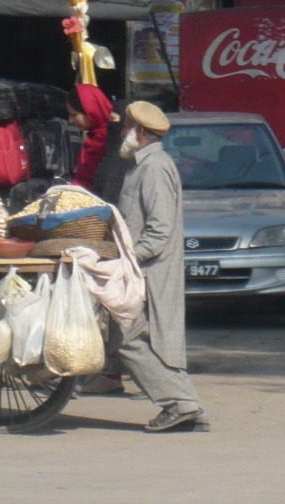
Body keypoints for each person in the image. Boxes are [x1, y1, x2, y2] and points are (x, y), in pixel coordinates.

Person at [112, 101, 207, 432]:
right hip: (144, 271)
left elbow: (159, 230)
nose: (122, 133)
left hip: (150, 273)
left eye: (126, 128)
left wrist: (130, 258)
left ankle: (181, 404)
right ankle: (185, 404)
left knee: (126, 337)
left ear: (139, 133)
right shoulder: (142, 165)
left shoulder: (153, 168)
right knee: (154, 342)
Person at [68, 83, 115, 192]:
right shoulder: (92, 137)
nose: (71, 120)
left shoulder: (114, 139)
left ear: (91, 111)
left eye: (74, 115)